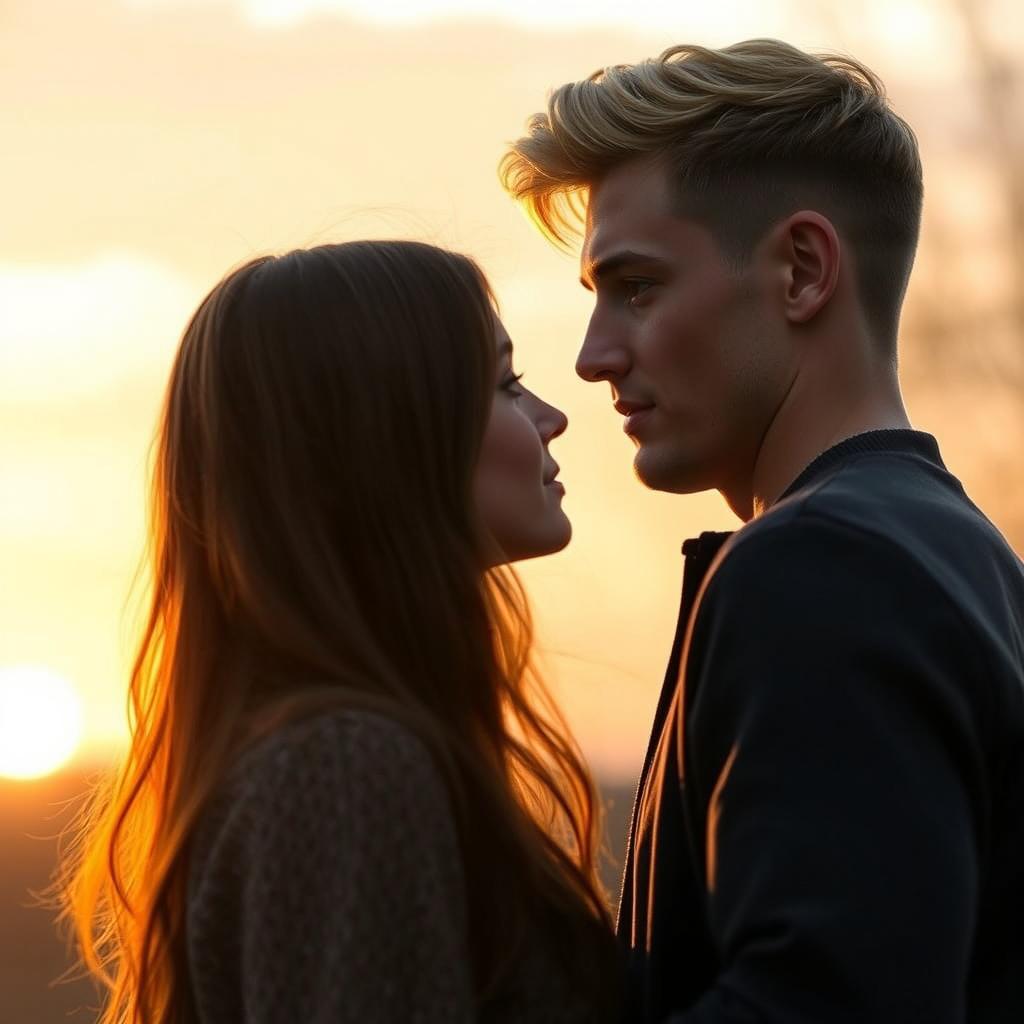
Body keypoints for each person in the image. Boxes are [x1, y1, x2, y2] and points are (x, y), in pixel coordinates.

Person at [501, 38, 1024, 1023]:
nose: (590, 356)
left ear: (799, 269)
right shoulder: (969, 562)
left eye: (637, 286)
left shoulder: (819, 569)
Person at [58, 240, 623, 1023]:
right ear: (385, 437)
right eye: (506, 385)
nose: (554, 418)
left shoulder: (335, 750)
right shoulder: (344, 764)